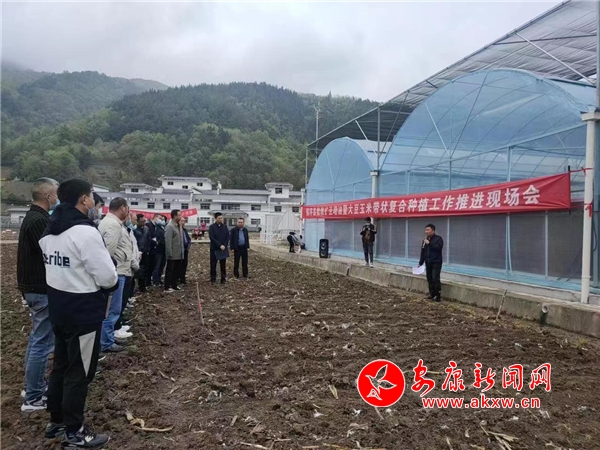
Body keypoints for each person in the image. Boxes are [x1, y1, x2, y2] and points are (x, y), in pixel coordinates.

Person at [39, 178, 118, 448]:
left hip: (59, 307)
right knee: (80, 371)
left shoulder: (50, 230)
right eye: (91, 197)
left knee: (61, 365)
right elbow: (107, 277)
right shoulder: (85, 232)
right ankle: (75, 431)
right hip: (83, 311)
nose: (93, 202)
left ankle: (56, 420)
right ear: (84, 199)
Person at [17, 177, 59, 412]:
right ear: (48, 196)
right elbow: (49, 252)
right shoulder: (38, 220)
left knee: (37, 339)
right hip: (39, 288)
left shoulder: (33, 217)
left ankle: (32, 386)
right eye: (56, 194)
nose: (57, 198)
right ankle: (33, 397)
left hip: (34, 288)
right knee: (42, 342)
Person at [98, 198, 138, 352]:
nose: (128, 212)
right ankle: (106, 342)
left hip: (119, 270)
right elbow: (108, 252)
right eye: (127, 208)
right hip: (117, 272)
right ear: (122, 208)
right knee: (112, 310)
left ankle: (107, 338)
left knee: (112, 309)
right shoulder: (113, 225)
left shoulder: (111, 223)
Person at [418, 223, 444, 302]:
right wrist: (421, 262)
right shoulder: (425, 240)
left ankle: (437, 295)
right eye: (425, 230)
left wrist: (430, 244)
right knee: (429, 278)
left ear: (433, 230)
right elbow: (423, 252)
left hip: (436, 262)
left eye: (428, 230)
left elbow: (438, 248)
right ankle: (432, 294)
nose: (426, 231)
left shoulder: (438, 239)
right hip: (428, 262)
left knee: (435, 278)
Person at [164, 210, 185, 292]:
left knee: (176, 270)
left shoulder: (179, 226)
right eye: (179, 215)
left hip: (179, 253)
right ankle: (167, 286)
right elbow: (168, 241)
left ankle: (174, 285)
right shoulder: (170, 226)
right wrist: (169, 253)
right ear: (174, 216)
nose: (181, 217)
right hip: (172, 254)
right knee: (170, 270)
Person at [209, 212, 230, 284]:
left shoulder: (225, 227)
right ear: (215, 219)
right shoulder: (212, 227)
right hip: (214, 248)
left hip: (223, 248)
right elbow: (212, 238)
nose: (221, 219)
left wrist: (224, 245)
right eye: (219, 218)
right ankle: (213, 279)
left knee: (223, 264)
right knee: (213, 264)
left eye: (221, 218)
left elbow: (228, 236)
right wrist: (219, 245)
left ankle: (223, 279)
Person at [151, 215, 167, 286]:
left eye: (163, 219)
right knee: (157, 266)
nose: (162, 221)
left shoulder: (163, 228)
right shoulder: (157, 228)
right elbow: (158, 239)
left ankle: (159, 279)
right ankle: (155, 281)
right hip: (158, 250)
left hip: (163, 250)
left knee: (162, 266)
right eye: (160, 219)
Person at [179, 217, 191, 285]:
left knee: (184, 264)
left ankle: (182, 278)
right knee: (179, 265)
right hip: (180, 250)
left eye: (184, 221)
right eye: (182, 221)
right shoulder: (177, 230)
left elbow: (188, 239)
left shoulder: (185, 230)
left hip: (185, 250)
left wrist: (188, 245)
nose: (183, 222)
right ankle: (178, 278)